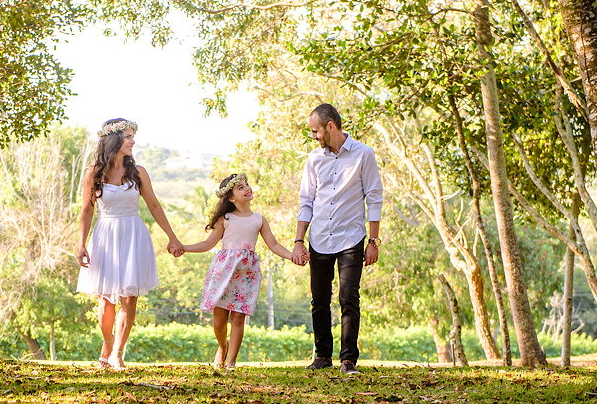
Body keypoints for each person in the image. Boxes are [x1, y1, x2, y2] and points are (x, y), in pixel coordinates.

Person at [76, 118, 183, 371]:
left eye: (132, 137)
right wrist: (81, 244)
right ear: (113, 140)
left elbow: (154, 206)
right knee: (105, 301)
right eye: (127, 137)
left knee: (129, 298)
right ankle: (107, 342)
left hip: (133, 234)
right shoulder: (93, 174)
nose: (132, 141)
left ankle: (117, 353)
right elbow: (86, 211)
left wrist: (172, 237)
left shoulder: (138, 173)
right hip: (105, 236)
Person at [291, 103, 383, 375]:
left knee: (348, 297)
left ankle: (348, 360)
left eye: (316, 131)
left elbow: (374, 198)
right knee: (319, 299)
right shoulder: (314, 159)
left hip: (350, 237)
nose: (314, 136)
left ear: (330, 126)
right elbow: (306, 201)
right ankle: (322, 357)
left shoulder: (363, 155)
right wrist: (298, 240)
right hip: (319, 237)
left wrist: (373, 243)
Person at [180, 173, 295, 370]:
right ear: (231, 197)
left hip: (246, 273)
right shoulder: (226, 219)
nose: (247, 188)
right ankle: (222, 347)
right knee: (219, 320)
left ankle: (231, 362)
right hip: (224, 271)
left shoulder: (259, 220)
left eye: (247, 184)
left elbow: (274, 244)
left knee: (238, 316)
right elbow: (208, 244)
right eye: (240, 187)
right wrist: (184, 247)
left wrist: (292, 255)